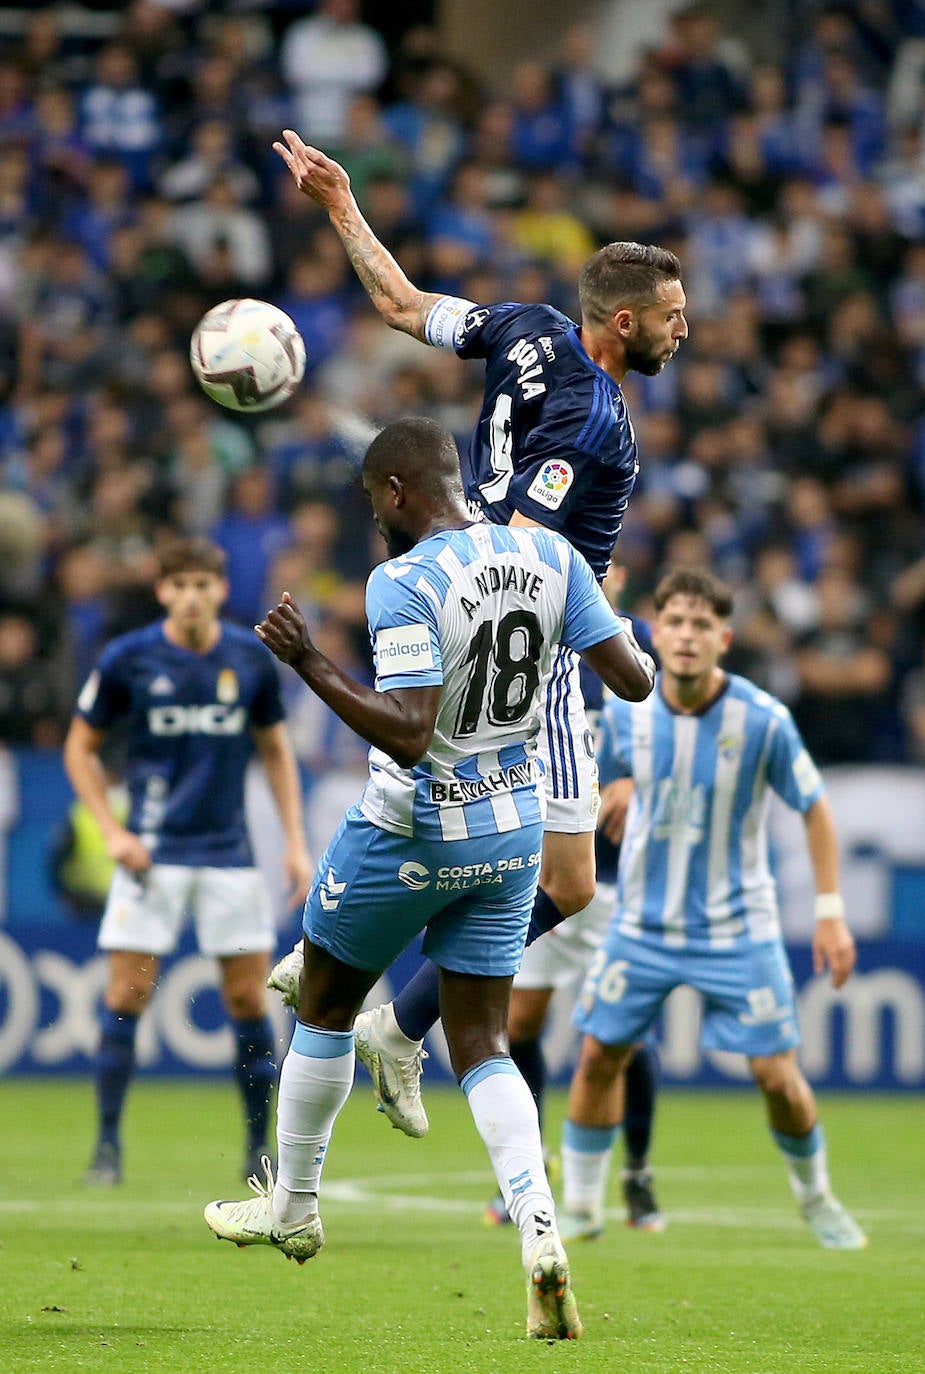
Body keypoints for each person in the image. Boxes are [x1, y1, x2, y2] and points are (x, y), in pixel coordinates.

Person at [268, 129, 687, 1138]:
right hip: (524, 637)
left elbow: (402, 306)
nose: (685, 333)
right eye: (673, 319)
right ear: (623, 322)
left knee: (482, 816)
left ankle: (353, 980)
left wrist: (340, 205)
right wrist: (608, 625)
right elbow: (530, 556)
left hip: (466, 601)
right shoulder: (597, 426)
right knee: (551, 871)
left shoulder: (526, 326)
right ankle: (394, 1016)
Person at [203, 419, 655, 1341]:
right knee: (483, 1041)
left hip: (414, 826)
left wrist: (307, 660)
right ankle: (538, 1228)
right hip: (512, 827)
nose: (373, 516)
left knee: (323, 1004)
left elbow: (407, 730)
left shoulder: (404, 581)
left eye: (374, 499)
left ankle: (292, 1204)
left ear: (399, 490)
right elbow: (634, 680)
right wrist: (630, 644)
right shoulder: (552, 556)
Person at [559, 568, 868, 1251]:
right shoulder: (624, 709)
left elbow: (814, 808)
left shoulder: (761, 720)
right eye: (674, 622)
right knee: (597, 1057)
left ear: (723, 639)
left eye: (702, 625)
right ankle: (580, 1207)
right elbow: (607, 776)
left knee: (777, 1078)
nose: (686, 636)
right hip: (640, 923)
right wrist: (616, 783)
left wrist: (829, 910)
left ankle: (815, 1198)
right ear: (655, 630)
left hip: (737, 928)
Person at [64, 536, 312, 1186]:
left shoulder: (248, 658)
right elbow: (79, 749)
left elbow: (277, 751)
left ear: (221, 590)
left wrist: (293, 842)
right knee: (126, 994)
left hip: (229, 854)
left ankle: (259, 1147)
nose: (193, 596)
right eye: (181, 585)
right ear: (163, 591)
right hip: (153, 852)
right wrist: (111, 831)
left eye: (204, 584)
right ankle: (107, 1146)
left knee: (245, 1000)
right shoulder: (128, 658)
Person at [485, 558, 666, 1231]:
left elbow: (674, 738)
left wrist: (633, 778)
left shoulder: (635, 638)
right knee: (522, 1021)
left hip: (616, 870)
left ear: (615, 569)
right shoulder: (527, 633)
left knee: (618, 1033)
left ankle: (637, 1174)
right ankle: (528, 1173)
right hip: (537, 865)